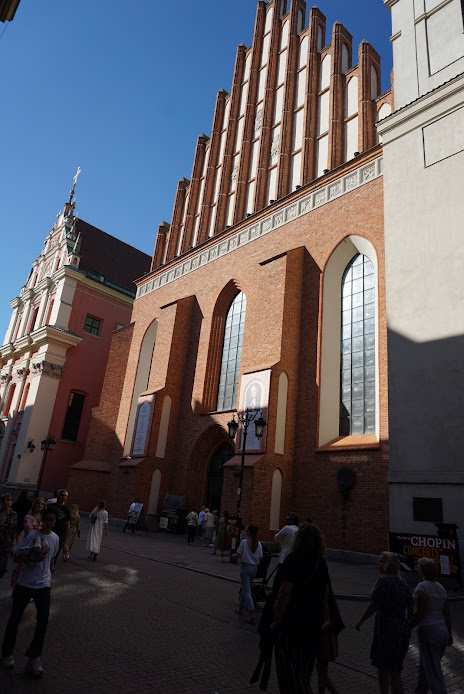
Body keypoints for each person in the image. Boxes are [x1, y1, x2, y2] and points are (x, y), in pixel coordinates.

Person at [271, 523, 330, 694]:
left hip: (292, 625)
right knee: (304, 672)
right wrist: (326, 620)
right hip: (313, 626)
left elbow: (284, 593)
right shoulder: (321, 563)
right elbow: (325, 596)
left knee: (291, 676)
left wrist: (276, 621)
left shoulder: (293, 559)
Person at [1, 506, 59, 677]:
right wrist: (29, 556)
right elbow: (17, 556)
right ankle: (7, 653)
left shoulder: (55, 538)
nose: (48, 523)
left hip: (43, 586)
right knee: (15, 619)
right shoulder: (32, 537)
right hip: (25, 584)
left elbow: (51, 560)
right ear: (41, 520)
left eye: (52, 520)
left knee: (42, 622)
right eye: (46, 519)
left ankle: (33, 658)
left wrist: (50, 580)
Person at [356, 551, 414, 694]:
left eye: (382, 561)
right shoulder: (404, 584)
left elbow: (374, 605)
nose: (379, 564)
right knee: (395, 673)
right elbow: (411, 607)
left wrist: (361, 620)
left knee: (383, 670)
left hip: (386, 631)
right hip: (400, 630)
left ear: (389, 565)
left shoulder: (384, 581)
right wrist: (406, 624)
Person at [410, 557, 453, 694]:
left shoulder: (422, 588)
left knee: (433, 671)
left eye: (419, 567)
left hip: (428, 632)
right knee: (424, 667)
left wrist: (406, 626)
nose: (417, 569)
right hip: (442, 632)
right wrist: (450, 634)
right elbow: (446, 614)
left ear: (423, 571)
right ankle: (420, 691)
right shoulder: (441, 588)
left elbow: (420, 614)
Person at [233, 524, 263, 624]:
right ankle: (241, 608)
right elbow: (260, 558)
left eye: (247, 529)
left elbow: (238, 555)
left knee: (247, 592)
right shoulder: (258, 544)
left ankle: (252, 615)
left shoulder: (244, 542)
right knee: (245, 588)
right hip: (254, 568)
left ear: (249, 532)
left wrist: (233, 556)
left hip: (245, 567)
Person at [273, 513, 299, 594]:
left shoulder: (287, 528)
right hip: (294, 560)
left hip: (284, 560)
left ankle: (275, 599)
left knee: (277, 582)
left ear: (291, 521)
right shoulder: (298, 530)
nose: (286, 521)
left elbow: (276, 538)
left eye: (287, 520)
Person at [47, 489, 70, 560]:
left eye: (65, 496)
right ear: (57, 495)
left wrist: (65, 542)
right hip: (47, 533)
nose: (63, 497)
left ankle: (51, 569)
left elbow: (67, 526)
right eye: (62, 495)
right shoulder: (50, 507)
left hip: (58, 536)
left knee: (54, 557)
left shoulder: (66, 510)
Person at [0, 493, 17, 580]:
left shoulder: (13, 514)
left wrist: (12, 543)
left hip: (6, 543)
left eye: (8, 500)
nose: (6, 502)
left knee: (2, 567)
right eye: (3, 500)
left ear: (11, 502)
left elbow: (14, 529)